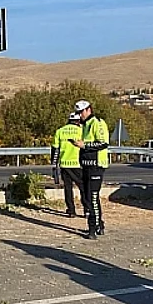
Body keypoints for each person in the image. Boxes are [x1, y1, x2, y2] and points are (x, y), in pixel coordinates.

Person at [72, 100, 110, 240]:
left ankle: (92, 228)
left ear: (89, 110)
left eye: (81, 112)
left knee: (92, 197)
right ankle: (99, 224)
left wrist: (84, 145)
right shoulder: (85, 125)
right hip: (87, 165)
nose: (80, 115)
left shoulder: (97, 123)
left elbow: (103, 143)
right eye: (78, 113)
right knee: (88, 197)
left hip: (97, 164)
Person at [51, 112, 84, 218]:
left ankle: (71, 211)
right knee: (83, 187)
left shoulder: (60, 131)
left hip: (65, 164)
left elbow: (55, 149)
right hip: (78, 164)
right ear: (78, 121)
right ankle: (87, 210)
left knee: (68, 188)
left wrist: (54, 164)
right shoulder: (82, 131)